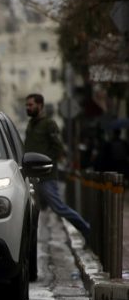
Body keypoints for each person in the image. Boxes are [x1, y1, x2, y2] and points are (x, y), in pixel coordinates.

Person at [24, 93, 90, 238]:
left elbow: (58, 149)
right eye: (27, 105)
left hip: (46, 176)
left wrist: (45, 162)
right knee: (31, 210)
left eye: (31, 105)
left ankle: (86, 229)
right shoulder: (31, 124)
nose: (28, 108)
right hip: (32, 176)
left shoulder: (49, 124)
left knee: (59, 208)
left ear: (40, 105)